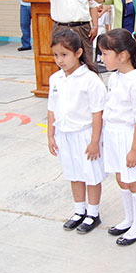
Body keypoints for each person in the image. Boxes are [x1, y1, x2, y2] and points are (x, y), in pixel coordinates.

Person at [47, 28, 106, 234]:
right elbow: (51, 108)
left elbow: (97, 113)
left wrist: (94, 141)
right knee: (74, 173)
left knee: (91, 175)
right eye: (56, 55)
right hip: (64, 134)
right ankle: (79, 210)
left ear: (78, 53)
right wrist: (51, 135)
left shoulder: (90, 79)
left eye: (64, 55)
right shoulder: (56, 79)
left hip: (85, 134)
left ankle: (93, 213)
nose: (60, 60)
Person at [99, 28, 136, 246]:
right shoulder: (115, 77)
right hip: (113, 135)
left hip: (129, 138)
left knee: (133, 181)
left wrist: (134, 149)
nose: (101, 58)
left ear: (122, 55)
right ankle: (129, 219)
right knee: (121, 179)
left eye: (105, 54)